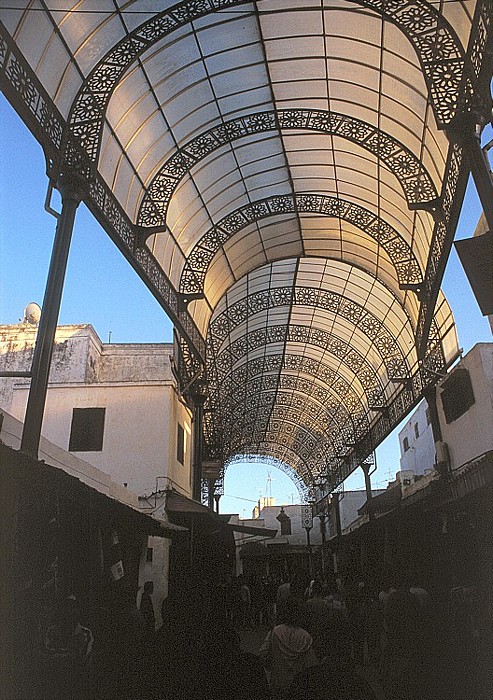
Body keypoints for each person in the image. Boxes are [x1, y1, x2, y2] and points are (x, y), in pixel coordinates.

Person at [260, 594, 317, 698]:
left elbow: (263, 653)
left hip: (277, 683)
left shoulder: (275, 632)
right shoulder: (305, 636)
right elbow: (311, 665)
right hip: (298, 685)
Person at [38, 595, 94, 699]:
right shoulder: (52, 631)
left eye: (73, 608)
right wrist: (69, 655)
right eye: (67, 607)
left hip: (76, 684)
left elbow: (83, 660)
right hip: (54, 684)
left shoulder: (86, 633)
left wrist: (62, 656)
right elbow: (46, 655)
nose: (70, 611)